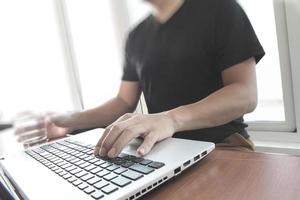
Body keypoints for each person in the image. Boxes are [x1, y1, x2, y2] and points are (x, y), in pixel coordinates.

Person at [19, 0, 265, 158]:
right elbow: (123, 102)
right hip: (163, 152)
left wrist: (171, 119)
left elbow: (244, 93)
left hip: (223, 147)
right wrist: (67, 120)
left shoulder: (220, 8)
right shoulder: (136, 36)